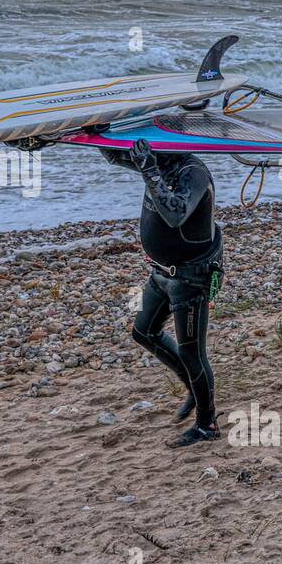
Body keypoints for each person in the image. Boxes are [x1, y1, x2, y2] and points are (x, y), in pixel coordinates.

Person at [102, 138, 224, 448]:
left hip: (191, 277)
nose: (149, 153)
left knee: (192, 353)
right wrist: (88, 130)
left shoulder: (193, 172)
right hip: (162, 272)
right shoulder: (160, 162)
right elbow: (115, 156)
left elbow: (175, 213)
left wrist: (149, 169)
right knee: (143, 332)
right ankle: (194, 391)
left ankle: (207, 424)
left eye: (154, 147)